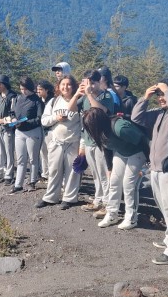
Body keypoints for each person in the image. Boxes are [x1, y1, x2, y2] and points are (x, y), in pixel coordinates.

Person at [132, 78, 168, 264]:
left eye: (163, 95)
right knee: (165, 208)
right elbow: (136, 118)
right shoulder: (159, 114)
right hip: (155, 168)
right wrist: (145, 97)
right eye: (158, 95)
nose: (161, 98)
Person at [82, 107, 148, 230]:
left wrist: (147, 164)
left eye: (90, 125)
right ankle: (112, 214)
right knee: (114, 182)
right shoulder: (99, 131)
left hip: (138, 152)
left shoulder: (119, 128)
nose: (89, 129)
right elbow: (106, 147)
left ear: (98, 122)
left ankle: (131, 218)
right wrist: (109, 168)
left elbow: (143, 140)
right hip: (121, 152)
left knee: (128, 184)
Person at [36, 75, 82, 209]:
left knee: (72, 171)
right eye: (63, 84)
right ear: (58, 86)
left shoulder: (79, 101)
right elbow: (44, 121)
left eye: (69, 84)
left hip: (73, 141)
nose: (65, 87)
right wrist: (56, 118)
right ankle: (51, 197)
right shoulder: (54, 101)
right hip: (56, 141)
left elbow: (83, 123)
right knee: (54, 170)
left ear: (73, 86)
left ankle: (69, 198)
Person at [73, 69, 115, 213]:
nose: (90, 86)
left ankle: (107, 203)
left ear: (99, 82)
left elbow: (102, 111)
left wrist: (90, 94)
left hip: (101, 141)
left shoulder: (106, 95)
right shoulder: (84, 97)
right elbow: (71, 109)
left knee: (104, 174)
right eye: (87, 82)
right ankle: (98, 200)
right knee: (95, 173)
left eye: (93, 83)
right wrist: (77, 94)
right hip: (88, 140)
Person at [9, 76, 44, 193]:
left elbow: (39, 118)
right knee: (20, 159)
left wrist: (26, 122)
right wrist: (13, 119)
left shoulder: (37, 100)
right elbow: (12, 111)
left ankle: (32, 181)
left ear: (30, 88)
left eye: (25, 89)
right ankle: (18, 184)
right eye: (21, 89)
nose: (23, 91)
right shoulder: (18, 98)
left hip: (33, 132)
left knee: (33, 159)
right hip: (19, 131)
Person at [0, 75, 17, 186]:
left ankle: (9, 175)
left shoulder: (12, 97)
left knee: (9, 152)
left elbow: (14, 115)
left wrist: (3, 120)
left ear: (5, 84)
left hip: (9, 128)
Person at [36, 80, 56, 180]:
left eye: (40, 89)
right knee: (43, 152)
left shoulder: (52, 101)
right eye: (37, 89)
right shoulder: (39, 101)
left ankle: (52, 174)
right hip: (41, 130)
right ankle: (45, 173)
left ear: (46, 90)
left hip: (50, 130)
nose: (38, 91)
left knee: (51, 153)